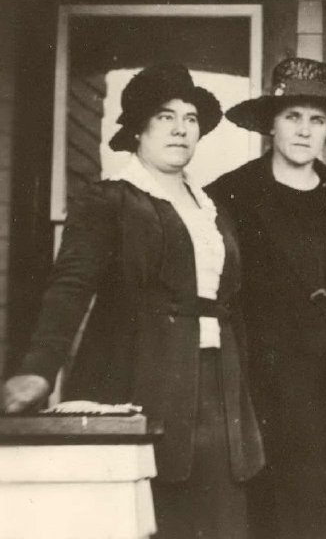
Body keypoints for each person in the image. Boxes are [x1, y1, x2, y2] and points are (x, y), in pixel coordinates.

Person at [2, 64, 265, 538]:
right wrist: (39, 368)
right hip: (138, 375)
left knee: (220, 520)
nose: (182, 128)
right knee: (144, 516)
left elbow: (233, 302)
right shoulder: (111, 199)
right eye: (166, 117)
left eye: (190, 118)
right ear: (139, 128)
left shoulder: (212, 209)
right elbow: (70, 285)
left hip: (216, 390)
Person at [205, 57, 326, 539]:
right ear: (271, 126)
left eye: (317, 119)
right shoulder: (230, 196)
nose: (304, 131)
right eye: (292, 117)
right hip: (261, 388)